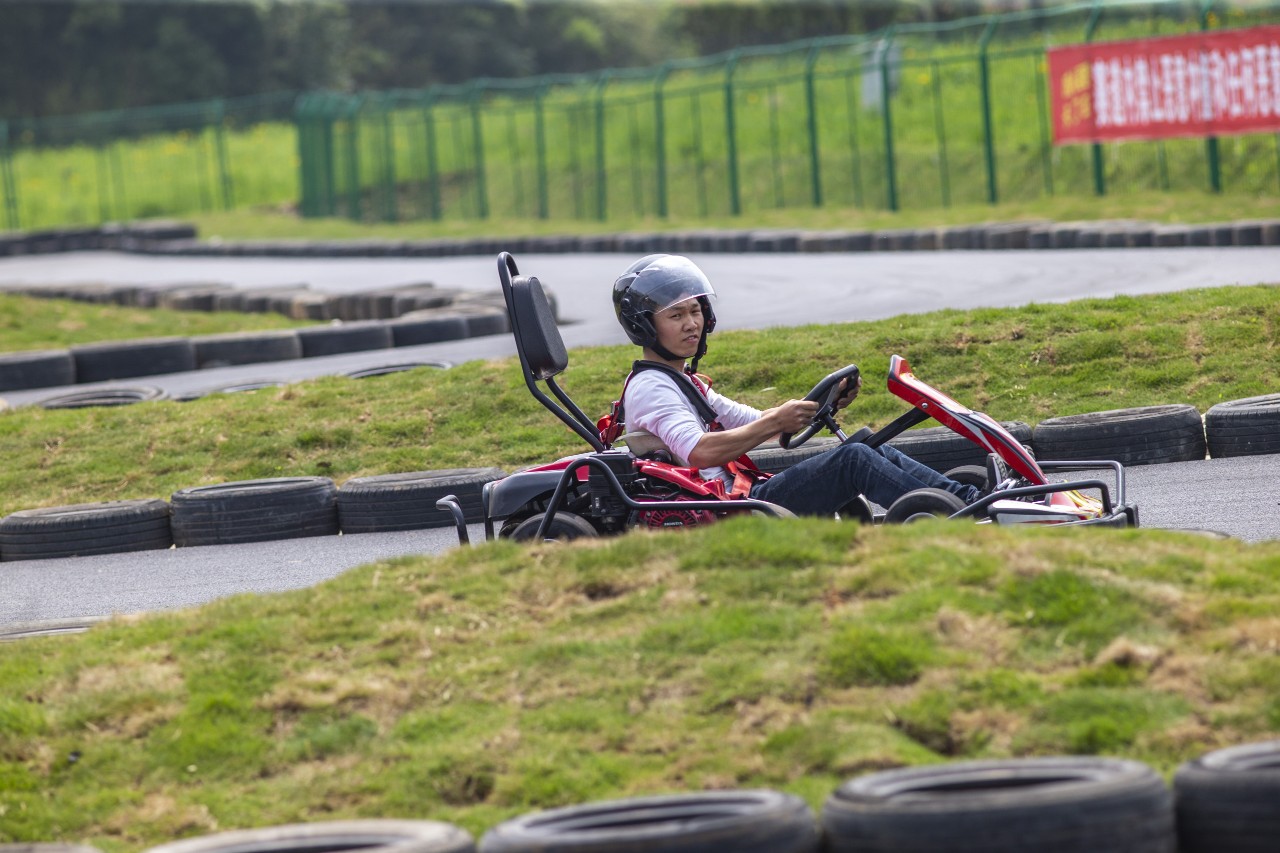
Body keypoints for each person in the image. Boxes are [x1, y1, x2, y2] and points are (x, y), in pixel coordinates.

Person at [610, 253, 985, 516]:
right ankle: (968, 508)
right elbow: (700, 452)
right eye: (676, 315)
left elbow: (751, 420)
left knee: (862, 445)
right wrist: (776, 423)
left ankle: (969, 498)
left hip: (735, 499)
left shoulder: (684, 382)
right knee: (853, 460)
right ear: (644, 326)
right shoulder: (652, 388)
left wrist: (820, 407)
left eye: (695, 311)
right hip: (725, 511)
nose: (691, 323)